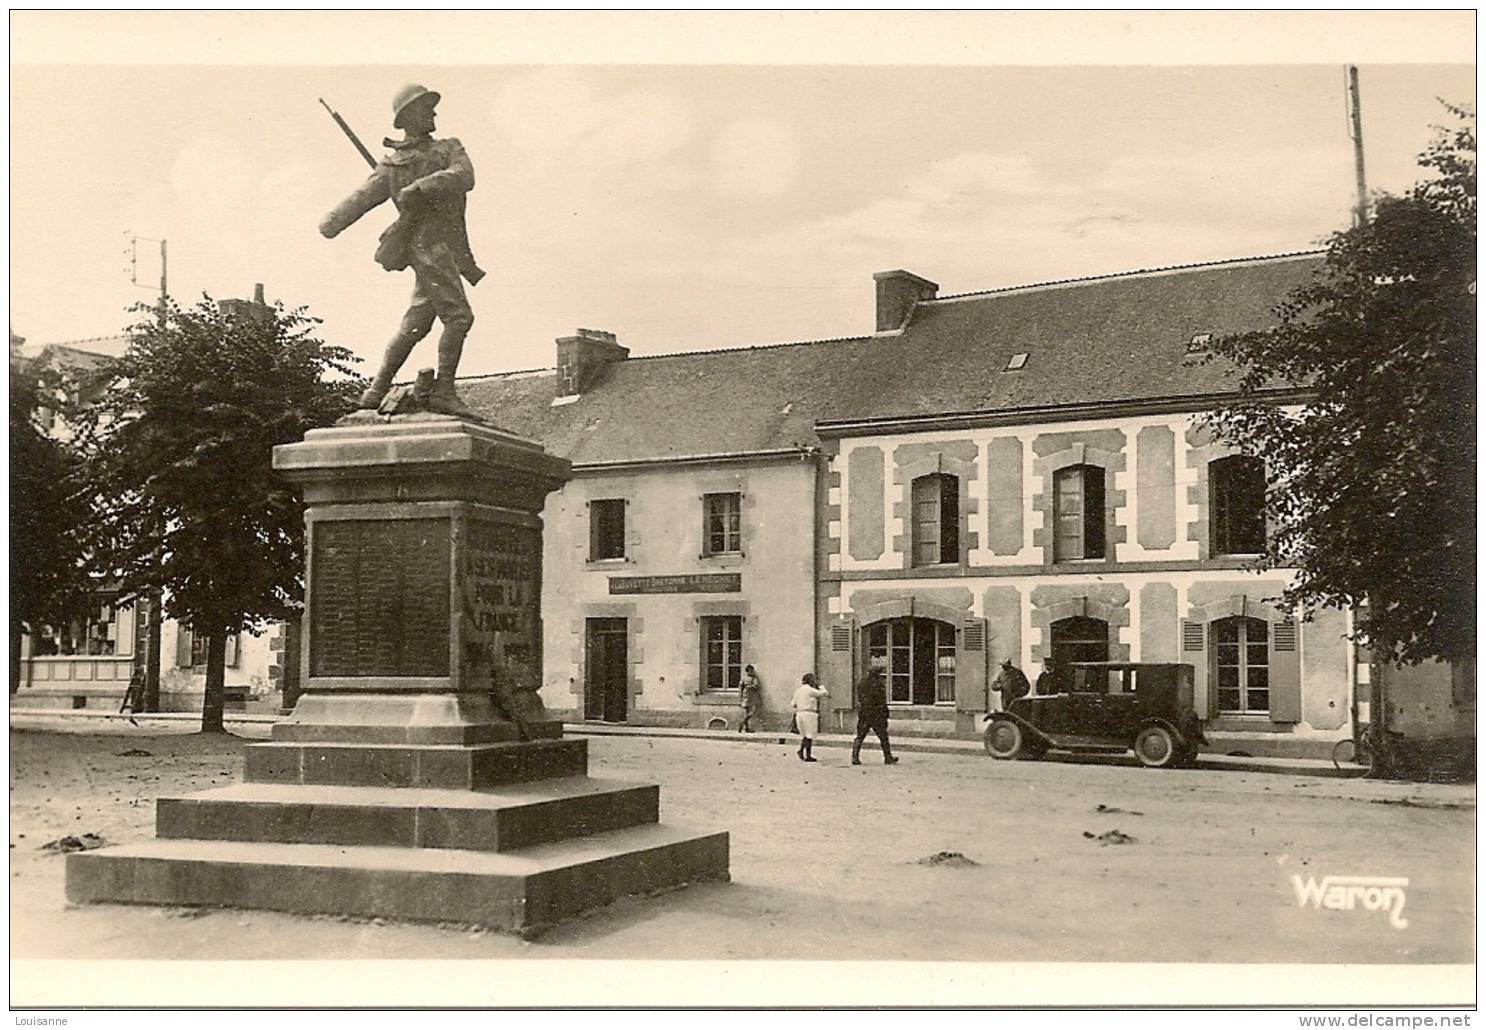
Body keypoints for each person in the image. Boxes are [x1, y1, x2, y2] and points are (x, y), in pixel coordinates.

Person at [320, 84, 484, 417]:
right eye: (426, 108)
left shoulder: (448, 149)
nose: (434, 113)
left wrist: (419, 187)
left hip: (446, 247)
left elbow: (464, 176)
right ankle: (444, 391)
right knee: (459, 316)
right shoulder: (392, 166)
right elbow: (361, 198)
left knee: (416, 323)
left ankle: (376, 389)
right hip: (427, 247)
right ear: (408, 116)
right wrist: (331, 222)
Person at [850, 668, 898, 766]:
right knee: (883, 737)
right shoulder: (878, 684)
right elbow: (881, 700)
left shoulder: (862, 683)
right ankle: (887, 757)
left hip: (864, 713)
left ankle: (855, 757)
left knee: (860, 736)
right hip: (877, 714)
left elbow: (860, 697)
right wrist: (885, 713)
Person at [791, 673, 830, 762]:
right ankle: (807, 755)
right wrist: (821, 686)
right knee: (809, 735)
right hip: (809, 713)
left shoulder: (798, 690)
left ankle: (801, 751)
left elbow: (793, 703)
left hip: (799, 713)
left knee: (804, 734)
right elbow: (824, 693)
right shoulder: (810, 690)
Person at [739, 664, 764, 733]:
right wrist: (740, 697)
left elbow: (757, 685)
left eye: (752, 671)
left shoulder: (754, 678)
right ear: (747, 671)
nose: (751, 672)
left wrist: (750, 686)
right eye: (750, 671)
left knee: (751, 712)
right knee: (749, 711)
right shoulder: (745, 678)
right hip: (748, 696)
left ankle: (743, 723)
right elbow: (741, 687)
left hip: (750, 696)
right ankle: (745, 726)